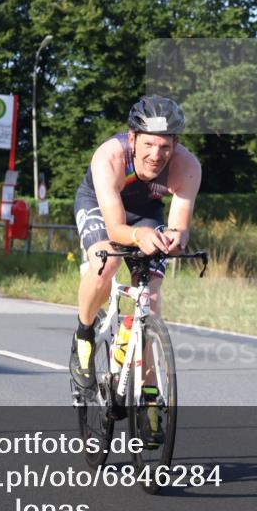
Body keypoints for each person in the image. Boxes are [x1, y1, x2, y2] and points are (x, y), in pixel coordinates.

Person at [70, 95, 202, 393]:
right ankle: (84, 331)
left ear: (176, 144)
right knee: (107, 263)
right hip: (100, 207)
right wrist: (137, 237)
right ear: (133, 138)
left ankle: (150, 394)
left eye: (165, 146)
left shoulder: (188, 167)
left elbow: (179, 224)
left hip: (146, 212)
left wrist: (176, 238)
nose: (157, 155)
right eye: (148, 144)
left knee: (151, 300)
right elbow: (116, 228)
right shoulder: (110, 157)